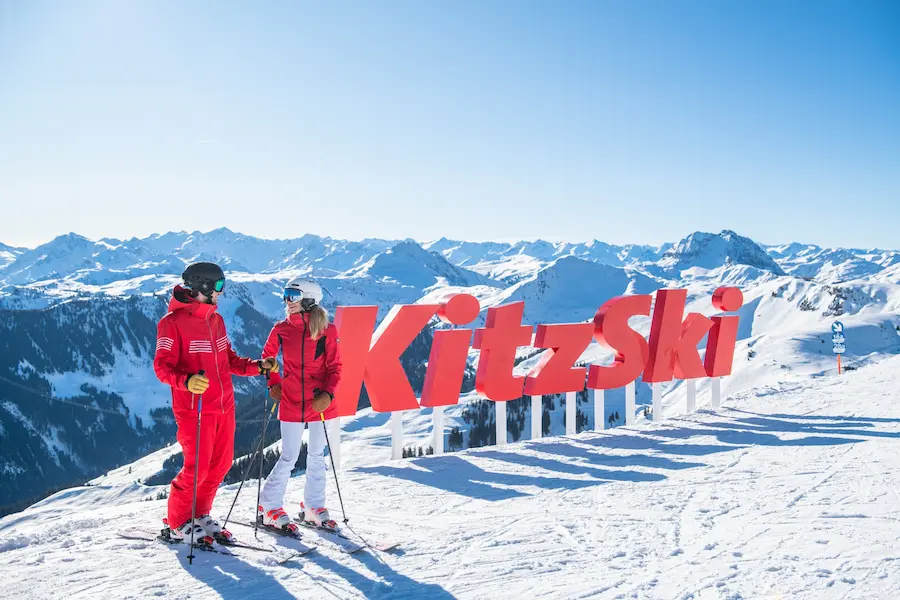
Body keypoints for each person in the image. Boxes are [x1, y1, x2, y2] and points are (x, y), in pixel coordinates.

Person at [153, 261, 278, 543]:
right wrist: (186, 381)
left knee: (220, 465)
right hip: (195, 409)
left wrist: (257, 366)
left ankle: (199, 513)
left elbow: (229, 361)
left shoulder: (215, 320)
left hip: (225, 406)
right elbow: (162, 367)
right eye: (219, 286)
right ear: (203, 286)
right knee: (196, 468)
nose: (222, 292)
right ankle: (177, 521)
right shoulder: (171, 323)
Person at [258, 277, 342, 533]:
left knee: (317, 455)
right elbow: (268, 359)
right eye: (285, 295)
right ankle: (268, 506)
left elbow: (335, 367)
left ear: (308, 299)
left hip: (320, 402)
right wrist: (273, 382)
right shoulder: (281, 329)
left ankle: (314, 506)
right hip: (292, 398)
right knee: (289, 455)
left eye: (292, 295)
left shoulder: (328, 330)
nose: (287, 301)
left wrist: (328, 393)